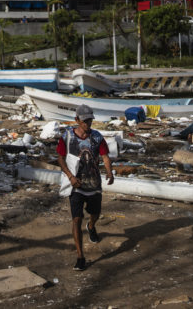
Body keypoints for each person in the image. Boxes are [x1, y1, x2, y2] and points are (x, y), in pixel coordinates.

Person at [57, 104, 114, 271]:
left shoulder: (97, 137)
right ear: (77, 120)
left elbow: (105, 156)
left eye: (90, 121)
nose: (88, 124)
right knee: (76, 219)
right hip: (76, 185)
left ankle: (91, 226)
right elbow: (60, 158)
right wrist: (70, 176)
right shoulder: (67, 137)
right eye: (85, 121)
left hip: (93, 183)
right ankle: (80, 256)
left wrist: (110, 173)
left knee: (95, 213)